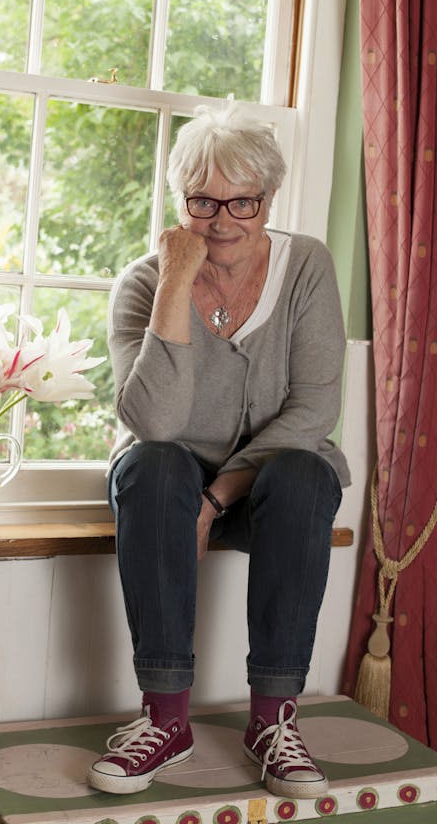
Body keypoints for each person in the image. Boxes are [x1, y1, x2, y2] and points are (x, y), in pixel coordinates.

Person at [86, 101, 350, 800]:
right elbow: (155, 421)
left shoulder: (307, 268)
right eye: (203, 200)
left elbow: (315, 408)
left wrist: (216, 497)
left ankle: (275, 721)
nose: (224, 219)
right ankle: (165, 719)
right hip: (168, 487)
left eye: (245, 201)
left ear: (269, 199)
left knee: (301, 473)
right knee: (151, 463)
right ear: (180, 201)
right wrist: (177, 279)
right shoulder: (144, 283)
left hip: (267, 487)